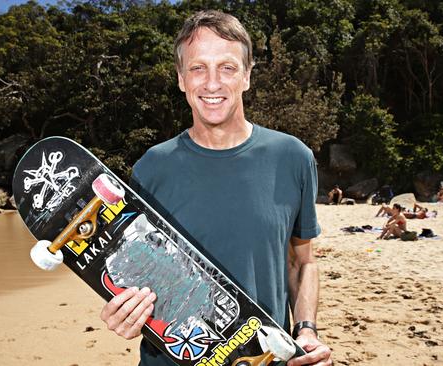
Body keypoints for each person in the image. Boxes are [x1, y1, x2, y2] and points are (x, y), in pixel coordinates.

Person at [99, 10, 332, 366]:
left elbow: (301, 263)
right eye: (197, 68)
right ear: (181, 79)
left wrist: (306, 331)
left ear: (247, 76)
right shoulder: (151, 168)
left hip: (263, 359)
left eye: (226, 67)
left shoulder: (292, 158)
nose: (212, 83)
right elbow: (135, 269)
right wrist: (126, 312)